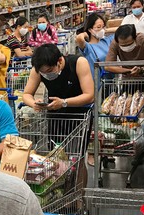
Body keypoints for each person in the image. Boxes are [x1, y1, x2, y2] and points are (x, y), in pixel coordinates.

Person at [23, 43, 95, 175]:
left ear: (60, 61)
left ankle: (79, 193)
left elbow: (90, 95)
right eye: (43, 73)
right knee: (56, 159)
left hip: (79, 116)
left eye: (49, 71)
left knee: (77, 159)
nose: (46, 75)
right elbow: (26, 94)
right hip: (55, 117)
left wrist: (64, 103)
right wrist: (34, 103)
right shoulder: (38, 69)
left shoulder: (79, 63)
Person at [75, 13, 118, 78]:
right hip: (97, 83)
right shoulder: (87, 47)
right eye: (98, 27)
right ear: (90, 30)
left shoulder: (107, 41)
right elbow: (79, 38)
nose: (101, 29)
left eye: (103, 26)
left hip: (111, 82)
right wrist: (85, 34)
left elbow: (122, 30)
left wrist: (105, 30)